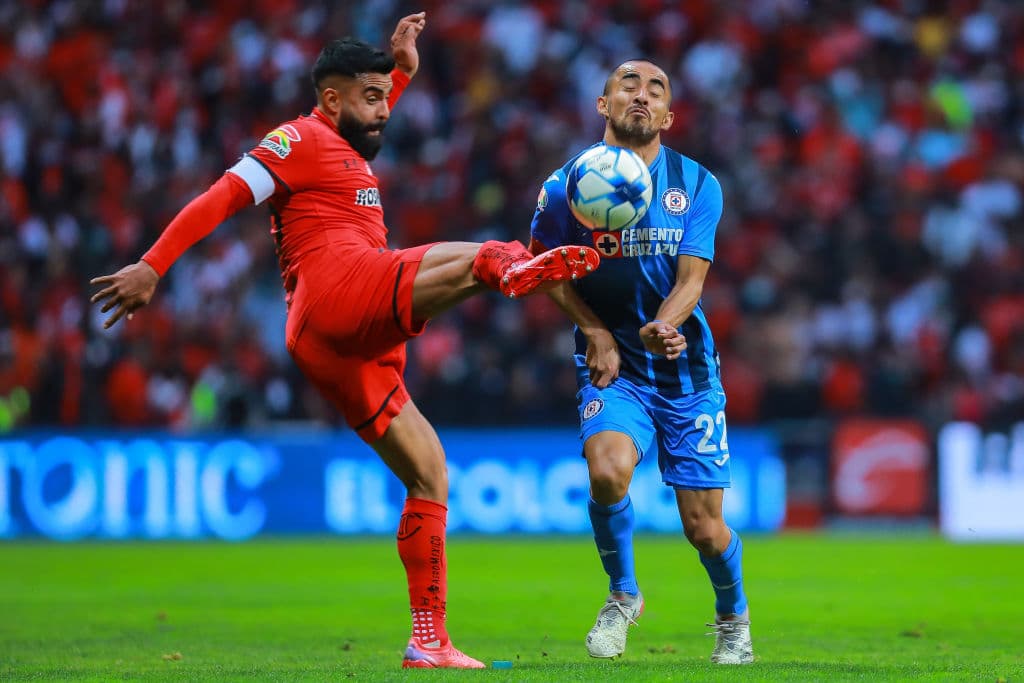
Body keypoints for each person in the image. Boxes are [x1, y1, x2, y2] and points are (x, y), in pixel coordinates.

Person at [90, 13, 600, 669]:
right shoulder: (295, 139)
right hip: (339, 291)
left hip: (336, 342)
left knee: (430, 471)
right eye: (370, 96)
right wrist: (153, 265)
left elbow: (373, 110)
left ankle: (429, 639)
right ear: (330, 98)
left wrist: (401, 70)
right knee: (487, 253)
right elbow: (222, 195)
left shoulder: (345, 142)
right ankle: (510, 268)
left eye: (385, 97)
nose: (384, 109)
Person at [529, 60, 754, 664]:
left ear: (668, 115)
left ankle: (732, 616)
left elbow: (693, 278)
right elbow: (541, 269)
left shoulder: (697, 183)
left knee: (705, 529)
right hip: (614, 367)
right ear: (603, 105)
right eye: (628, 84)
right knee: (606, 472)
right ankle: (623, 595)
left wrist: (668, 325)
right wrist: (594, 329)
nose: (642, 94)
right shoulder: (563, 187)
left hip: (686, 373)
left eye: (656, 89)